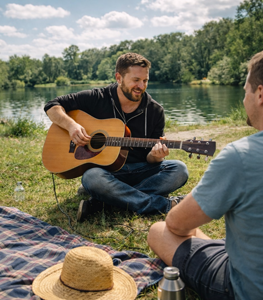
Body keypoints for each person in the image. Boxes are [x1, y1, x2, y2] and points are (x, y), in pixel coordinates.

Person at [146, 45, 263, 300]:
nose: (244, 98)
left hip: (249, 291)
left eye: (245, 90)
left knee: (159, 231)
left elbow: (176, 224)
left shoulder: (241, 156)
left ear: (260, 94)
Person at [44, 52, 189, 221]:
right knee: (91, 177)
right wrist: (72, 126)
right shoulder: (97, 98)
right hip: (106, 173)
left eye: (145, 81)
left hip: (140, 170)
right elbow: (51, 106)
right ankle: (161, 205)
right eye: (136, 80)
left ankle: (103, 202)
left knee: (179, 169)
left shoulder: (155, 110)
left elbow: (151, 160)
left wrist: (155, 156)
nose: (141, 86)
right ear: (119, 78)